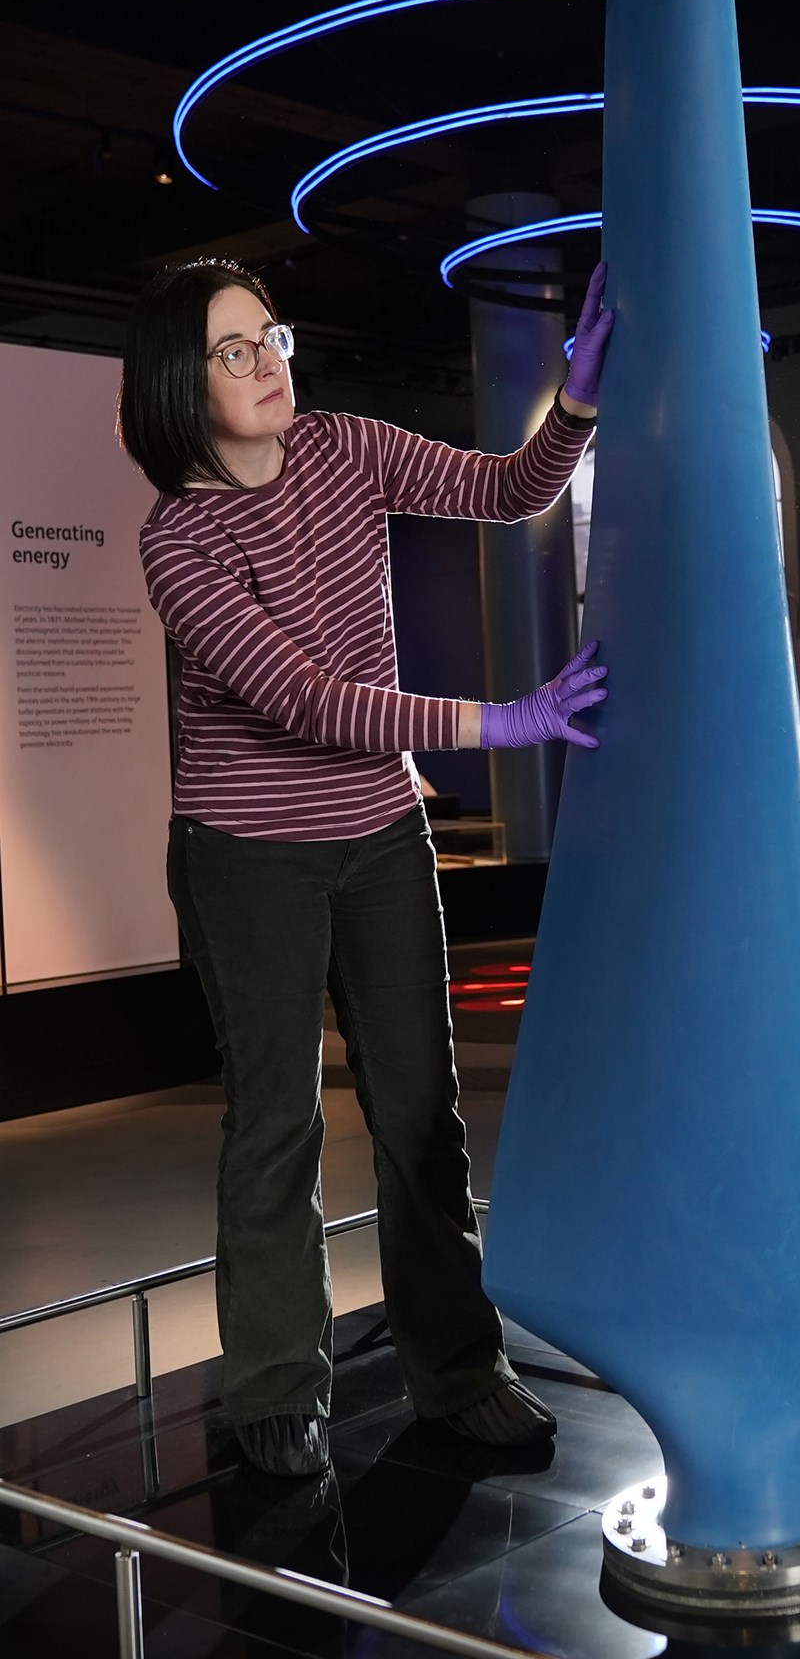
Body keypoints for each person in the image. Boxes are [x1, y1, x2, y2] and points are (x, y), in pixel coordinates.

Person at [119, 255, 612, 1477]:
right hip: (246, 854)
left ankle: (457, 1369)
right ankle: (280, 1385)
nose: (268, 363)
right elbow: (302, 699)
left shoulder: (344, 447)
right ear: (184, 382)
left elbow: (508, 491)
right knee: (275, 1123)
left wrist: (578, 398)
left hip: (383, 836)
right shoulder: (177, 540)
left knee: (419, 1111)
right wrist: (505, 723)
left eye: (271, 337)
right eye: (235, 350)